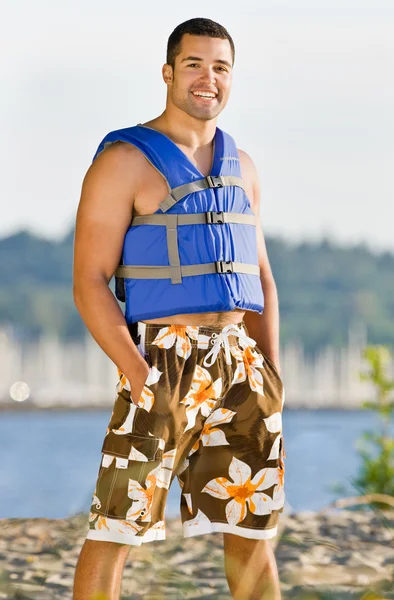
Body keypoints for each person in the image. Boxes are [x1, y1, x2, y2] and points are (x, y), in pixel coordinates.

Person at [72, 16, 286, 600]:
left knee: (251, 529)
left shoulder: (243, 166)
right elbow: (89, 280)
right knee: (116, 525)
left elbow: (260, 276)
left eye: (220, 67)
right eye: (193, 64)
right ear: (168, 72)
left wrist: (270, 369)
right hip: (163, 360)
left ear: (231, 78)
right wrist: (137, 372)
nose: (207, 79)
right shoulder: (124, 161)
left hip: (240, 362)